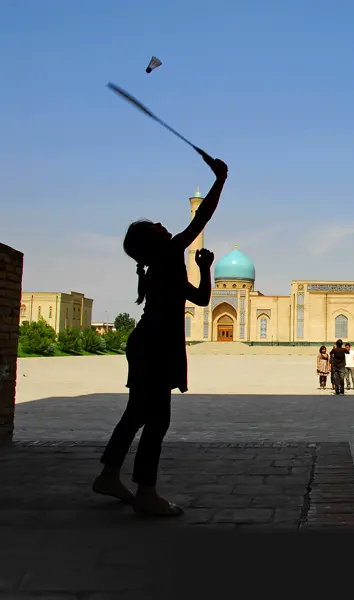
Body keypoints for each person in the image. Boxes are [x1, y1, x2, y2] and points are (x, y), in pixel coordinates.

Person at [93, 154, 228, 518]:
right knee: (157, 421)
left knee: (136, 413)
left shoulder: (162, 267)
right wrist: (221, 179)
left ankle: (108, 474)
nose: (161, 225)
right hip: (156, 344)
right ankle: (146, 492)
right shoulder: (167, 255)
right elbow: (201, 218)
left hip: (147, 342)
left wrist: (205, 269)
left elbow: (200, 298)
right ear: (153, 242)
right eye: (155, 226)